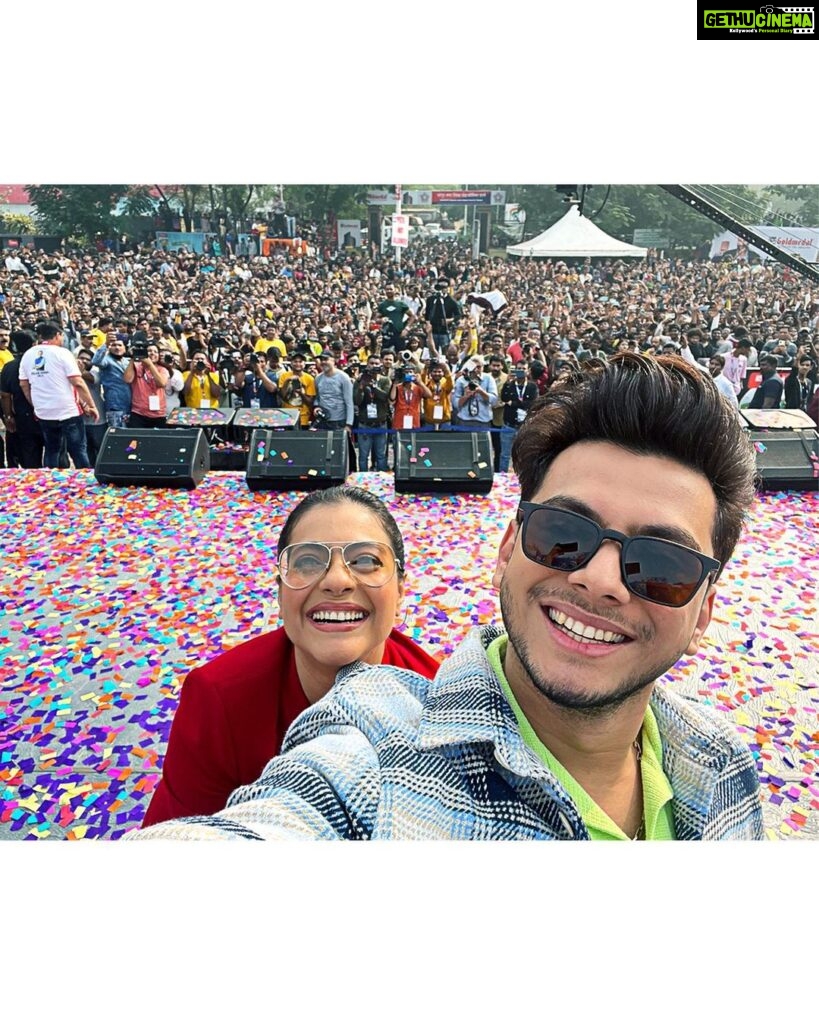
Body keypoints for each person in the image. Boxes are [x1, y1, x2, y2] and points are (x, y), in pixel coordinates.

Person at [134, 354, 763, 841]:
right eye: (562, 534)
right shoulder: (380, 757)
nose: (600, 579)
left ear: (705, 607)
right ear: (507, 547)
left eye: (661, 563)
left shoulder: (725, 763)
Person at [141, 486, 439, 826]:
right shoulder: (218, 699)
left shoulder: (437, 705)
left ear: (401, 588)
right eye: (308, 561)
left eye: (366, 561)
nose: (337, 580)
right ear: (281, 590)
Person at [18, 320, 100, 468]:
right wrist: (91, 405)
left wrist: (35, 403)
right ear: (57, 335)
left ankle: (52, 483)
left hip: (44, 411)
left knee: (51, 450)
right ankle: (86, 484)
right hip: (67, 410)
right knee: (78, 450)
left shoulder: (28, 355)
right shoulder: (63, 353)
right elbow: (78, 382)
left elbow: (24, 384)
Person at [123, 341, 170, 427]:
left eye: (155, 352)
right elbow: (127, 380)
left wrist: (150, 365)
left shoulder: (162, 369)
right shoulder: (136, 367)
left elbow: (161, 383)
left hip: (158, 414)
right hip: (138, 413)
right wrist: (133, 358)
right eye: (149, 351)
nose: (152, 353)